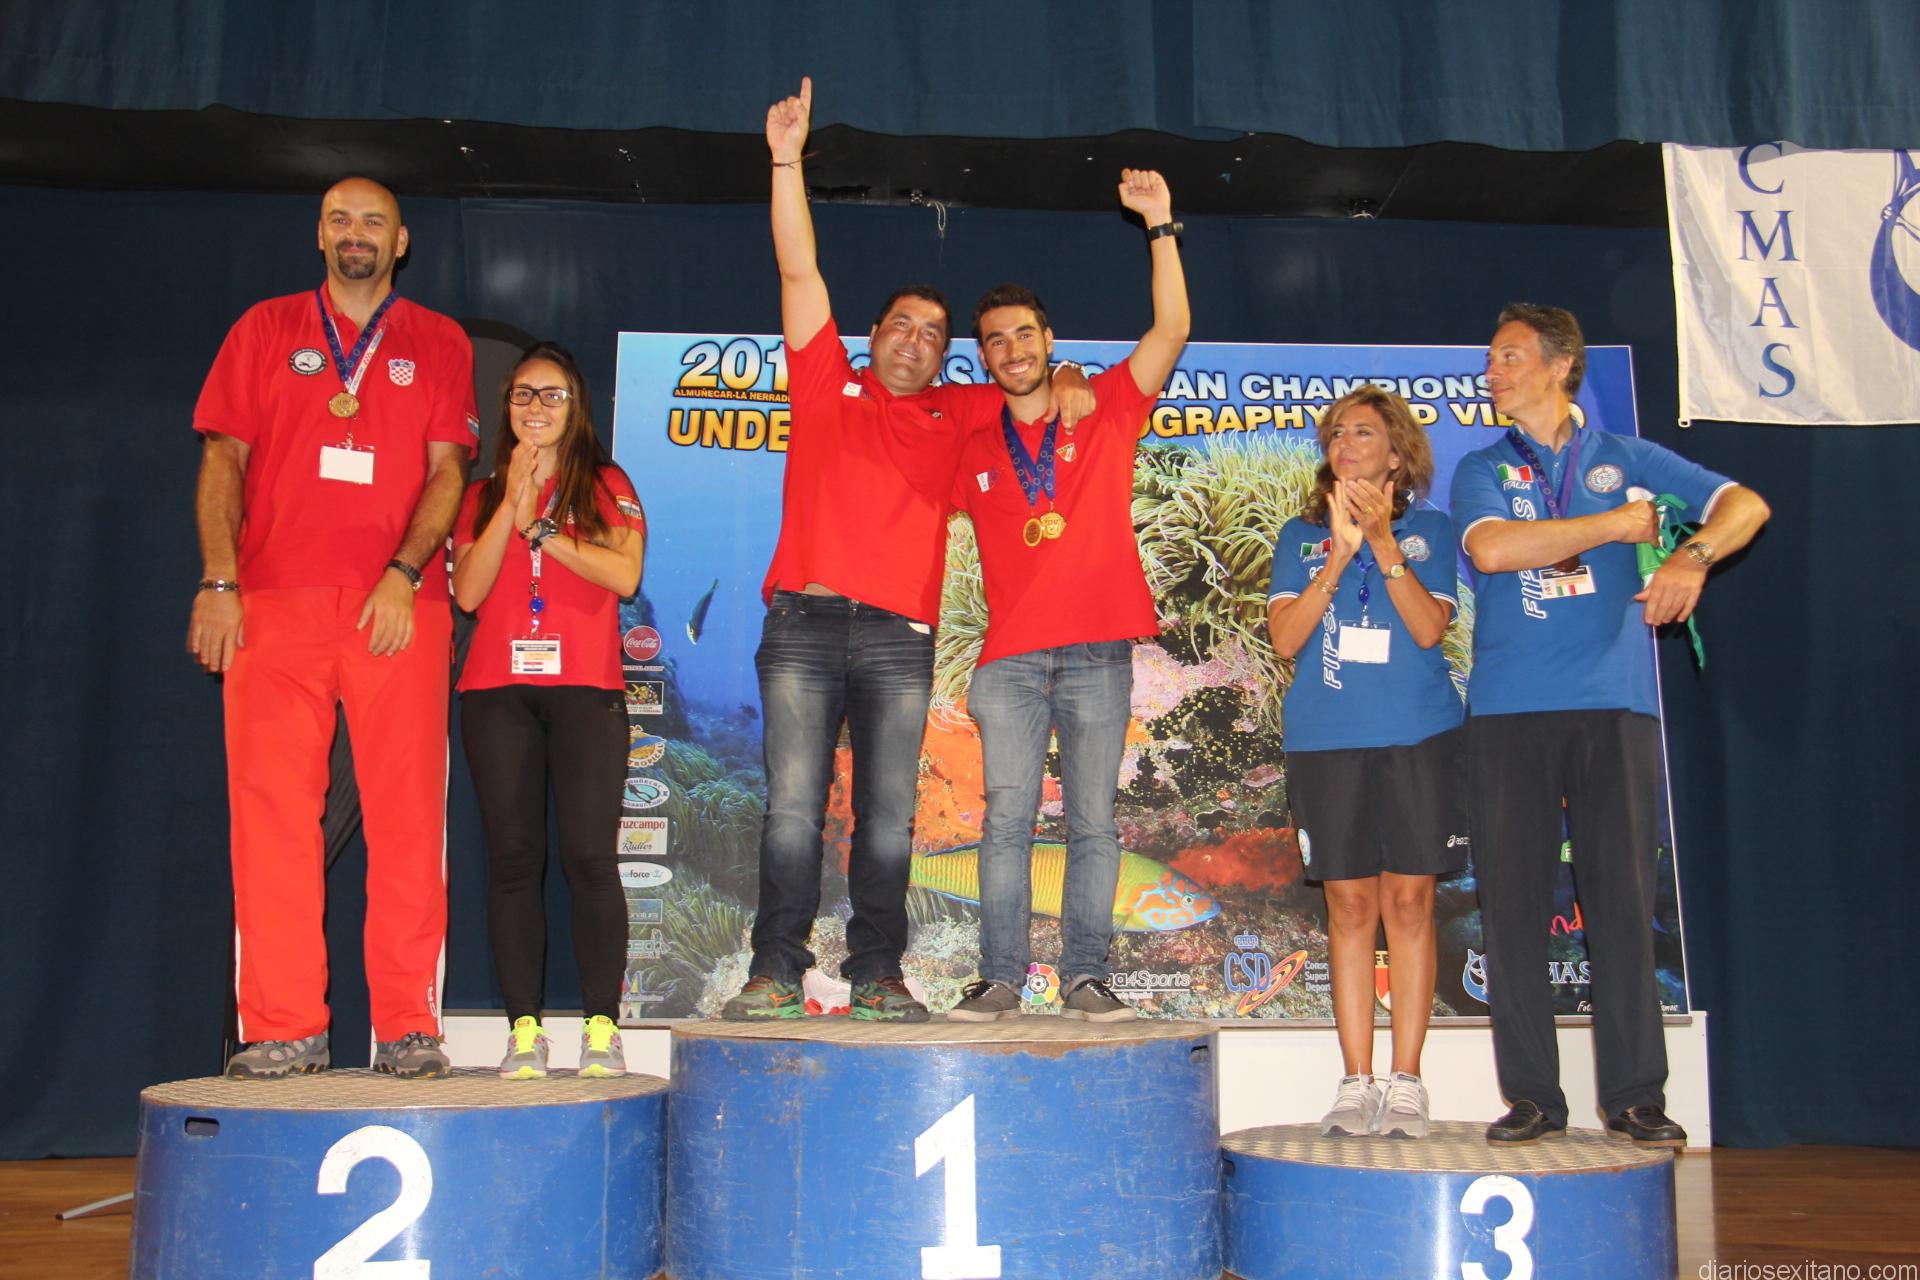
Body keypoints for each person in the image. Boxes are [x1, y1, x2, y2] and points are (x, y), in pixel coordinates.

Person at [721, 77, 1092, 1022]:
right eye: (902, 326)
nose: (916, 342)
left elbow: (1028, 381)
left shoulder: (958, 411)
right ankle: (774, 970)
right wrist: (786, 161)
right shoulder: (822, 380)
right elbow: (799, 271)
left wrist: (1068, 372)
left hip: (899, 637)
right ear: (872, 335)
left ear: (944, 356)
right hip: (803, 623)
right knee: (792, 806)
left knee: (888, 815)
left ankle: (878, 973)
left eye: (934, 335)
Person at [1452, 303, 1770, 1146]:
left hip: (1615, 706)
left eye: (1511, 356)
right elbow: (1493, 551)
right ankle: (1533, 1097)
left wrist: (1692, 555)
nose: (1493, 371)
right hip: (1509, 711)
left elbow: (1746, 505)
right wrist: (1620, 526)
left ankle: (1635, 1098)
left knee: (1623, 902)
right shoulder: (1484, 465)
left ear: (1562, 365)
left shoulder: (1629, 457)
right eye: (1492, 358)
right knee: (1511, 907)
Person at [188, 176, 476, 1079]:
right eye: (341, 219)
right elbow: (223, 458)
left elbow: (449, 470)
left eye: (374, 222)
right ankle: (284, 1027)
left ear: (401, 241)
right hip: (272, 602)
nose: (357, 233)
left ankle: (408, 1025)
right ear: (319, 233)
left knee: (407, 818)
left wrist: (403, 573)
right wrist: (219, 580)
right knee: (270, 817)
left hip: (398, 606)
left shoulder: (437, 339)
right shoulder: (264, 328)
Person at [944, 172, 1190, 1024]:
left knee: (1094, 825)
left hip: (1096, 652)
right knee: (1005, 824)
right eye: (995, 341)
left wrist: (1159, 224)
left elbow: (1172, 328)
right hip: (1008, 661)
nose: (1012, 349)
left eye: (1025, 334)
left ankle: (1086, 976)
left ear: (1050, 340)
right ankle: (1000, 978)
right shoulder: (971, 436)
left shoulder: (1108, 402)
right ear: (983, 358)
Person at [1265, 387, 1467, 1137]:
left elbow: (1428, 629)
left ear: (1396, 455)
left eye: (1363, 433)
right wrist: (1340, 553)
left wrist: (1382, 544)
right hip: (1326, 739)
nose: (1345, 445)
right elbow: (1286, 640)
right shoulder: (1299, 535)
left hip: (1419, 735)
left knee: (1409, 904)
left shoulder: (1432, 530)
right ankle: (1356, 1082)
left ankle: (1407, 1082)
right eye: (1337, 434)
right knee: (1349, 907)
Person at [452, 343, 645, 1079]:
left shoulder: (606, 483)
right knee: (512, 861)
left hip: (586, 690)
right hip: (496, 693)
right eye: (523, 395)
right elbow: (468, 592)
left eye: (552, 395)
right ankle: (523, 1033)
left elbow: (623, 575)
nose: (536, 407)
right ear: (506, 405)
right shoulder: (479, 495)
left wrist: (544, 529)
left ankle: (602, 1029)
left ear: (576, 406)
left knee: (590, 859)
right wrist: (511, 504)